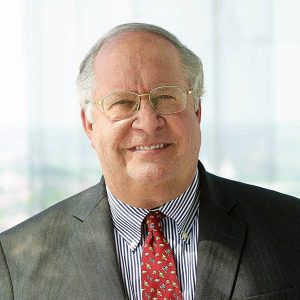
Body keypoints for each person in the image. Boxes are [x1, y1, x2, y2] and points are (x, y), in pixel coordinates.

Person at [0, 23, 300, 300]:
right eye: (122, 102)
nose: (147, 122)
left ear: (196, 111)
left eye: (167, 97)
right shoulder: (14, 260)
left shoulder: (291, 227)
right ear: (89, 125)